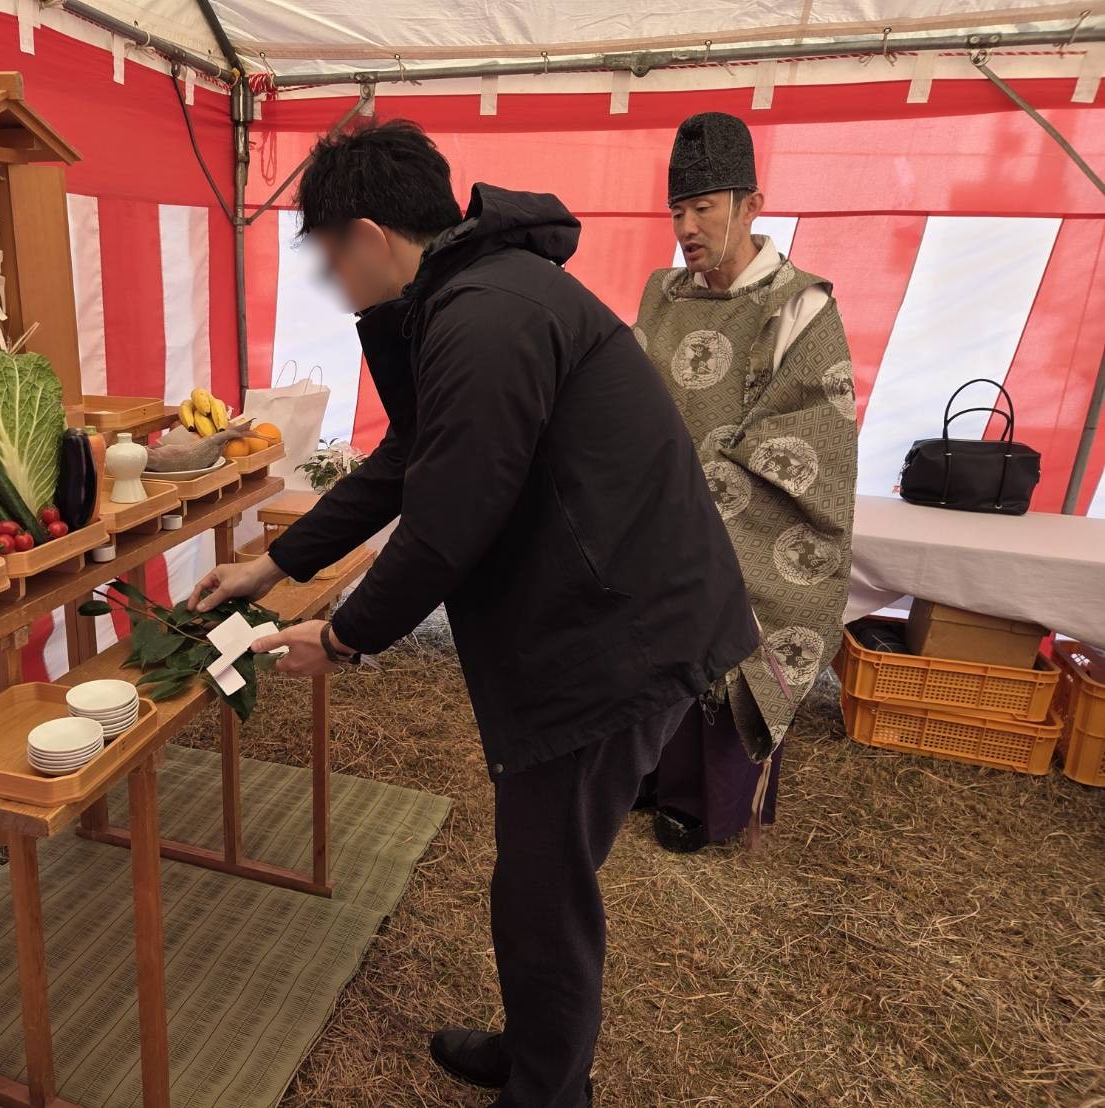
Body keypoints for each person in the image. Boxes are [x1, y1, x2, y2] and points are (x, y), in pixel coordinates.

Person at [186, 119, 756, 1108]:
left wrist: (347, 636)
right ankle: (539, 1053)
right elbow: (409, 460)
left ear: (366, 234)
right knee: (536, 875)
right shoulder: (472, 297)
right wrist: (272, 564)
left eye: (326, 260)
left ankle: (547, 1091)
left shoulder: (482, 316)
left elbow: (449, 521)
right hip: (605, 613)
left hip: (617, 634)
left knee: (545, 888)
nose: (331, 283)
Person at [633, 112, 858, 854]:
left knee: (728, 645)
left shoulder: (799, 304)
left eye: (701, 207)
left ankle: (704, 807)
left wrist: (703, 488)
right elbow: (631, 397)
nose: (685, 226)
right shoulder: (662, 294)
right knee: (650, 638)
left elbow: (809, 434)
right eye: (676, 210)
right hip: (664, 507)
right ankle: (646, 780)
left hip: (745, 514)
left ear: (750, 205)